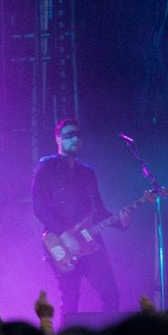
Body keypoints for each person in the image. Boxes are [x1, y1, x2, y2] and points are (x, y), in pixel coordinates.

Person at [31, 118, 129, 323]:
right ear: (58, 139)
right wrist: (64, 234)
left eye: (78, 134)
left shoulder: (87, 172)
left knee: (111, 294)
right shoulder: (47, 166)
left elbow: (98, 211)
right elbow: (39, 206)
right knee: (70, 299)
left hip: (92, 242)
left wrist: (120, 222)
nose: (75, 138)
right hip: (61, 242)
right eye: (69, 135)